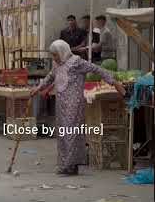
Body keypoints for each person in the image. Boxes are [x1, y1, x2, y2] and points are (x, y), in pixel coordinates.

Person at [31, 40, 126, 175]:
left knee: (71, 133)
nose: (54, 58)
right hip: (61, 103)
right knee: (63, 133)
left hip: (74, 104)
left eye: (56, 55)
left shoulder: (76, 62)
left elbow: (96, 69)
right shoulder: (57, 64)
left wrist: (114, 82)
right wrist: (38, 88)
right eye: (53, 55)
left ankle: (70, 165)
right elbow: (50, 77)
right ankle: (66, 163)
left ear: (62, 52)